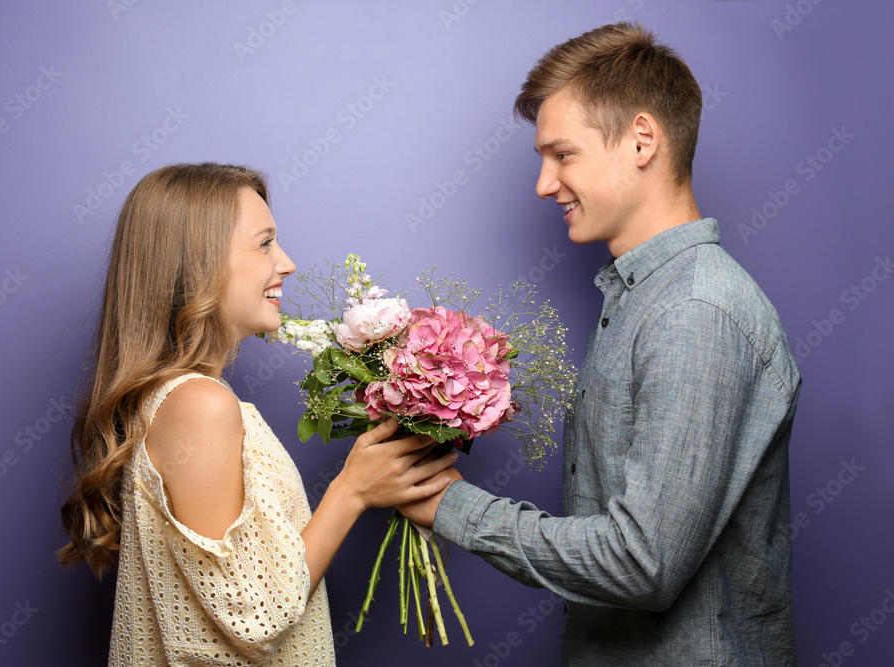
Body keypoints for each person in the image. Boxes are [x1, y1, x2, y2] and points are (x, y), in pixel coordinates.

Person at [400, 22, 801, 665]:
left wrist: (454, 507)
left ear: (643, 139)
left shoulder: (695, 311)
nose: (543, 183)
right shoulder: (642, 300)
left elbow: (643, 564)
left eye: (563, 155)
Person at [58, 162, 457, 666]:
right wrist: (352, 491)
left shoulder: (181, 400)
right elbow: (255, 617)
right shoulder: (200, 405)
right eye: (264, 243)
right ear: (200, 263)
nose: (286, 263)